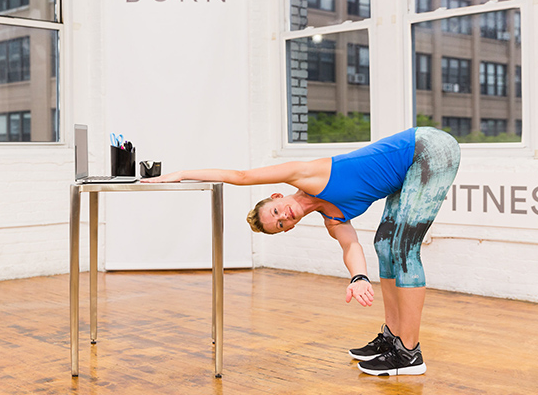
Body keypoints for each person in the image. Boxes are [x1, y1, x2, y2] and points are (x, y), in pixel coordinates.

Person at [142, 126, 460, 376]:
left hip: (429, 148)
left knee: (402, 248)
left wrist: (181, 173)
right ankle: (393, 338)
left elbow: (240, 177)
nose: (284, 217)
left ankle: (409, 353)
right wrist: (359, 277)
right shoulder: (334, 219)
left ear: (278, 195)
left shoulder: (306, 174)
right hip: (412, 165)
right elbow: (351, 246)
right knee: (384, 245)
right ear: (289, 230)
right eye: (280, 225)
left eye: (277, 211)